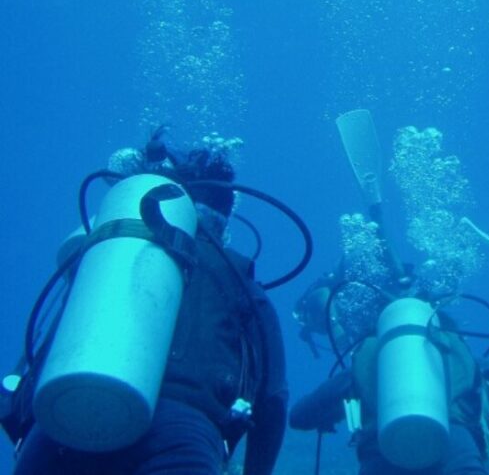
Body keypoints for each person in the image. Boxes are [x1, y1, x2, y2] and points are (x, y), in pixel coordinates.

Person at [4, 133, 289, 475]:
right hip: (180, 437)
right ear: (223, 222)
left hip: (62, 428)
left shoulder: (107, 263)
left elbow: (28, 373)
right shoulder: (236, 275)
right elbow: (273, 398)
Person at [289, 296, 489, 475]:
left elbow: (299, 417)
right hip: (458, 455)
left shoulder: (363, 366)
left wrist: (334, 414)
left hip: (381, 457)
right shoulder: (467, 360)